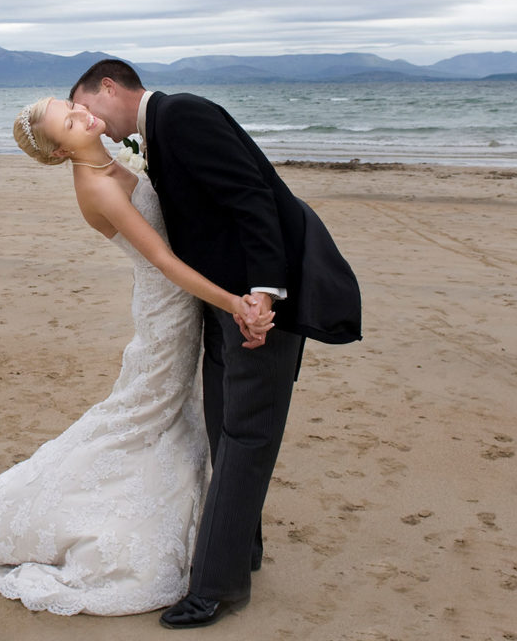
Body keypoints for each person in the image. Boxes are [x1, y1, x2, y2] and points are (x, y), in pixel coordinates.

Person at [0, 95, 275, 617]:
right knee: (144, 412)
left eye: (73, 106)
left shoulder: (119, 160)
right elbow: (161, 259)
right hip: (166, 310)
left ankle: (204, 526)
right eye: (70, 121)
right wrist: (231, 302)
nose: (84, 115)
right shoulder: (98, 186)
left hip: (180, 302)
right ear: (62, 150)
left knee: (169, 415)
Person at [69, 59, 361, 629]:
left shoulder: (182, 114)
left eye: (86, 106)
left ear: (109, 86)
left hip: (261, 300)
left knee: (247, 434)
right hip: (225, 300)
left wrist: (262, 296)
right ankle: (240, 551)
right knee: (227, 426)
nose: (92, 121)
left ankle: (215, 588)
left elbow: (251, 197)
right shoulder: (156, 132)